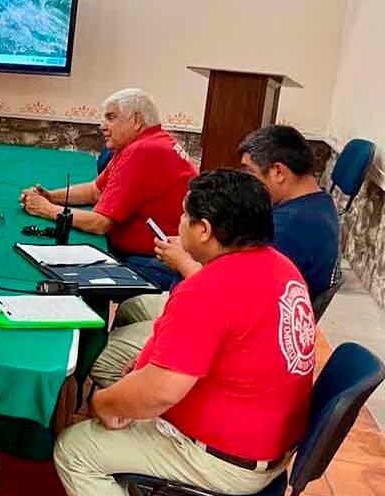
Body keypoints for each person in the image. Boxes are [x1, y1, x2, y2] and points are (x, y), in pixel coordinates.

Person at [55, 170, 316, 496]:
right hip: (267, 441)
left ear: (204, 231)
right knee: (129, 388)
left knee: (76, 449)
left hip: (230, 459)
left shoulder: (211, 289)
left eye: (183, 215)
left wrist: (104, 406)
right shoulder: (280, 266)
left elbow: (158, 391)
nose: (175, 222)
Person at [94, 126, 341, 389]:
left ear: (278, 171)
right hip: (238, 319)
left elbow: (229, 300)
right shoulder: (316, 206)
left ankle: (137, 416)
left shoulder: (287, 228)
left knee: (102, 357)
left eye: (249, 172)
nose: (246, 182)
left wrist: (184, 262)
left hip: (237, 340)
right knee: (133, 306)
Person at [19, 89, 197, 290]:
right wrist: (51, 196)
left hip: (157, 262)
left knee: (57, 274)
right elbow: (96, 190)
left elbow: (99, 224)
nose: (102, 126)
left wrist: (46, 209)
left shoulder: (143, 150)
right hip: (160, 254)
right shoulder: (148, 142)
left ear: (137, 120)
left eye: (110, 118)